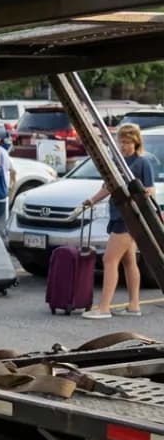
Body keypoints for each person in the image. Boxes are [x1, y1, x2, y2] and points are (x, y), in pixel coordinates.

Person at [81, 122, 156, 319]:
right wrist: (92, 200)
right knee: (129, 261)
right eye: (120, 141)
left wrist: (140, 194)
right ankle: (133, 306)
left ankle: (104, 308)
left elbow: (150, 189)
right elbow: (108, 187)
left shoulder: (142, 162)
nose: (123, 145)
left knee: (109, 259)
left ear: (136, 142)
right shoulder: (116, 162)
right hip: (117, 215)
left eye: (127, 142)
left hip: (130, 217)